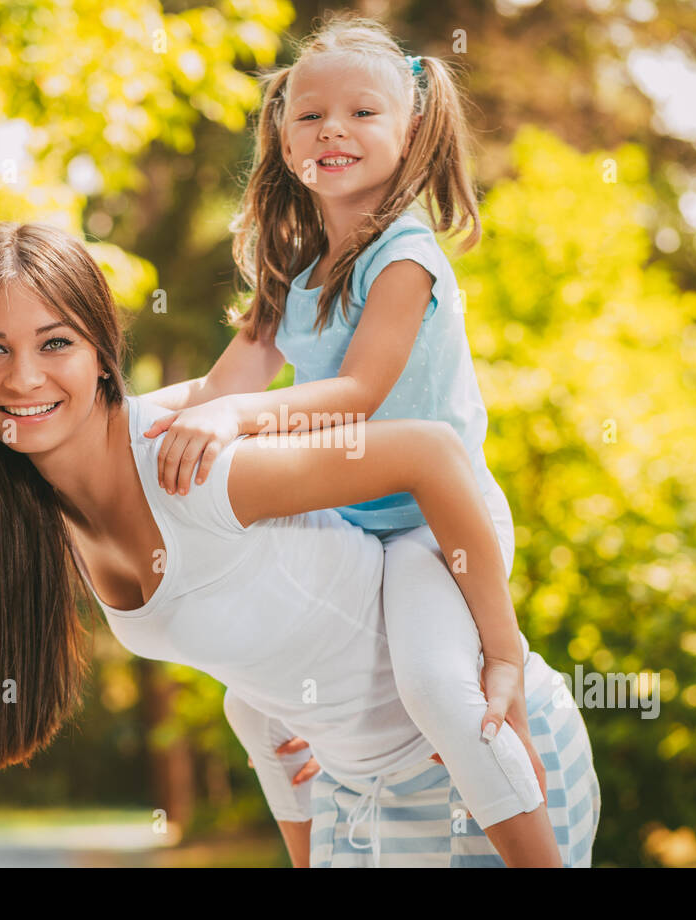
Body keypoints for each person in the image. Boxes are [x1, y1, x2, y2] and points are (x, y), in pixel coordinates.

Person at [0, 221, 599, 866]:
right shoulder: (42, 518)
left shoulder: (195, 466)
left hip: (491, 766)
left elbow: (428, 453)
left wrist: (502, 654)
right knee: (246, 705)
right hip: (361, 800)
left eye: (54, 343)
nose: (22, 378)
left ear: (102, 353)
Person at [138, 14, 600, 863]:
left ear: (411, 130)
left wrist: (227, 418)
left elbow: (357, 394)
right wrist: (125, 432)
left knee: (434, 682)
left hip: (434, 523)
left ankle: (523, 767)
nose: (334, 130)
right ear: (281, 137)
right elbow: (215, 391)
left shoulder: (406, 253)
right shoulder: (293, 269)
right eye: (310, 116)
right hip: (354, 529)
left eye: (362, 113)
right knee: (250, 700)